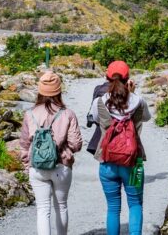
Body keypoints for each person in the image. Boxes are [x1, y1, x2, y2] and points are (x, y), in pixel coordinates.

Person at [89, 60, 152, 235]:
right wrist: (132, 93)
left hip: (107, 160)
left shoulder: (100, 102)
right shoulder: (138, 101)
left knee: (113, 207)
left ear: (107, 78)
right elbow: (146, 118)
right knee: (135, 203)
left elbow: (95, 119)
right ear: (128, 80)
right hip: (133, 161)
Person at [19, 71, 83, 235]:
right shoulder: (68, 113)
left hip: (37, 167)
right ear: (59, 91)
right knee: (61, 206)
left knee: (42, 209)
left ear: (40, 91)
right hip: (61, 166)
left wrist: (28, 166)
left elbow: (24, 145)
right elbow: (76, 144)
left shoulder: (29, 114)